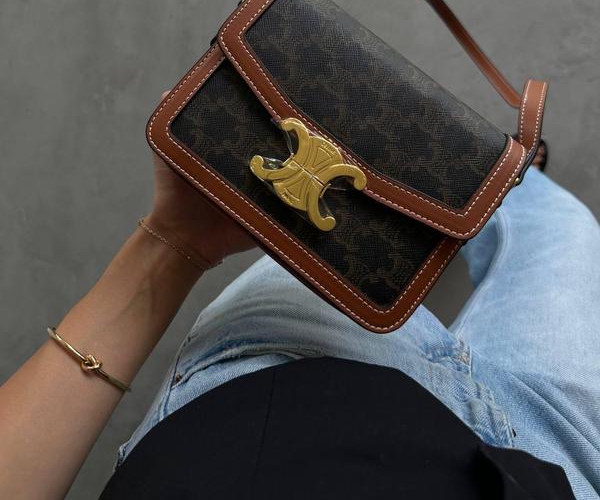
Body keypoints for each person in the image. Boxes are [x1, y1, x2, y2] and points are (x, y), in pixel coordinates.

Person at [0, 97, 597, 500]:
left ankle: (484, 181)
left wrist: (176, 241)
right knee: (563, 231)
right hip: (552, 465)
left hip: (283, 376)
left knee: (349, 222)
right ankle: (500, 180)